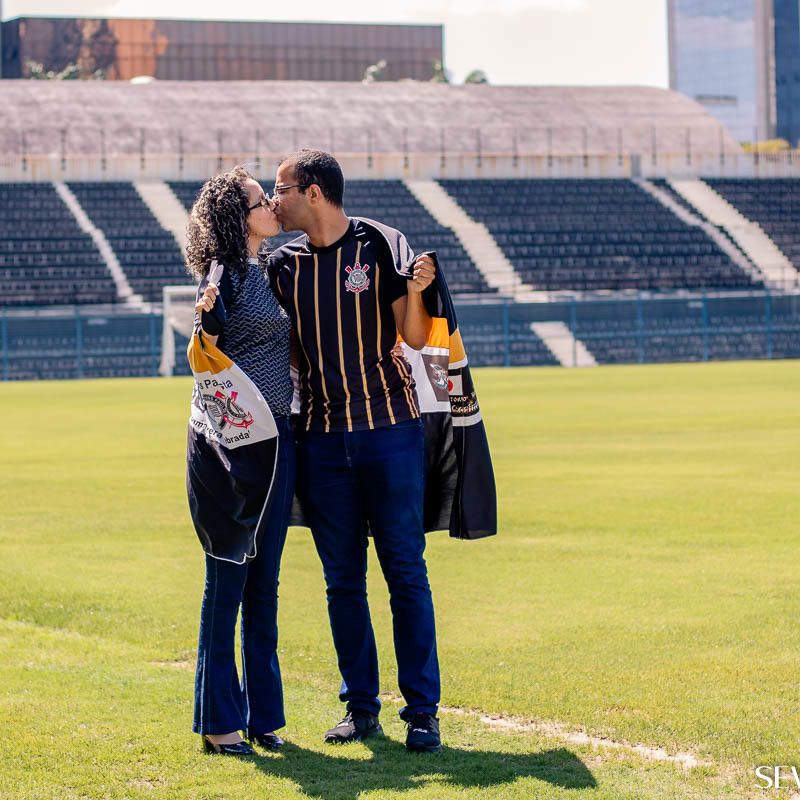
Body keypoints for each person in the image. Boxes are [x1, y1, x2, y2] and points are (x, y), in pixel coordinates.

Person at [265, 149, 443, 753]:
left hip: (391, 431)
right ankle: (360, 707)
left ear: (313, 192)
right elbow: (281, 349)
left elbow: (414, 338)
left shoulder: (379, 243)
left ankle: (422, 711)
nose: (273, 198)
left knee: (405, 574)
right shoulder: (282, 267)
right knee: (342, 581)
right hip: (319, 441)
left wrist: (419, 291)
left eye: (281, 187)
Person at [185, 166, 295, 756]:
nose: (272, 206)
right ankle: (218, 722)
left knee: (265, 587)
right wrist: (206, 312)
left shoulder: (268, 270)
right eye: (260, 201)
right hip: (235, 452)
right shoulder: (223, 274)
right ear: (238, 215)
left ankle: (263, 717)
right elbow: (210, 330)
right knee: (227, 581)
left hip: (279, 446)